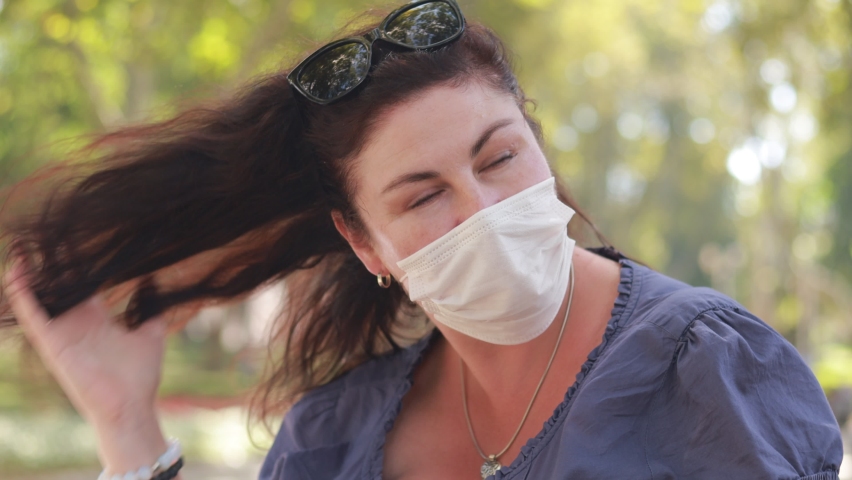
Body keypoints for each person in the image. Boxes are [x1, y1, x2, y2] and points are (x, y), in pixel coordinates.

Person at [0, 1, 844, 479]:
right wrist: (125, 429)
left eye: (499, 157)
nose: (479, 210)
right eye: (422, 196)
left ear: (538, 146)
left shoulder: (709, 373)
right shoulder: (331, 440)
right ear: (366, 245)